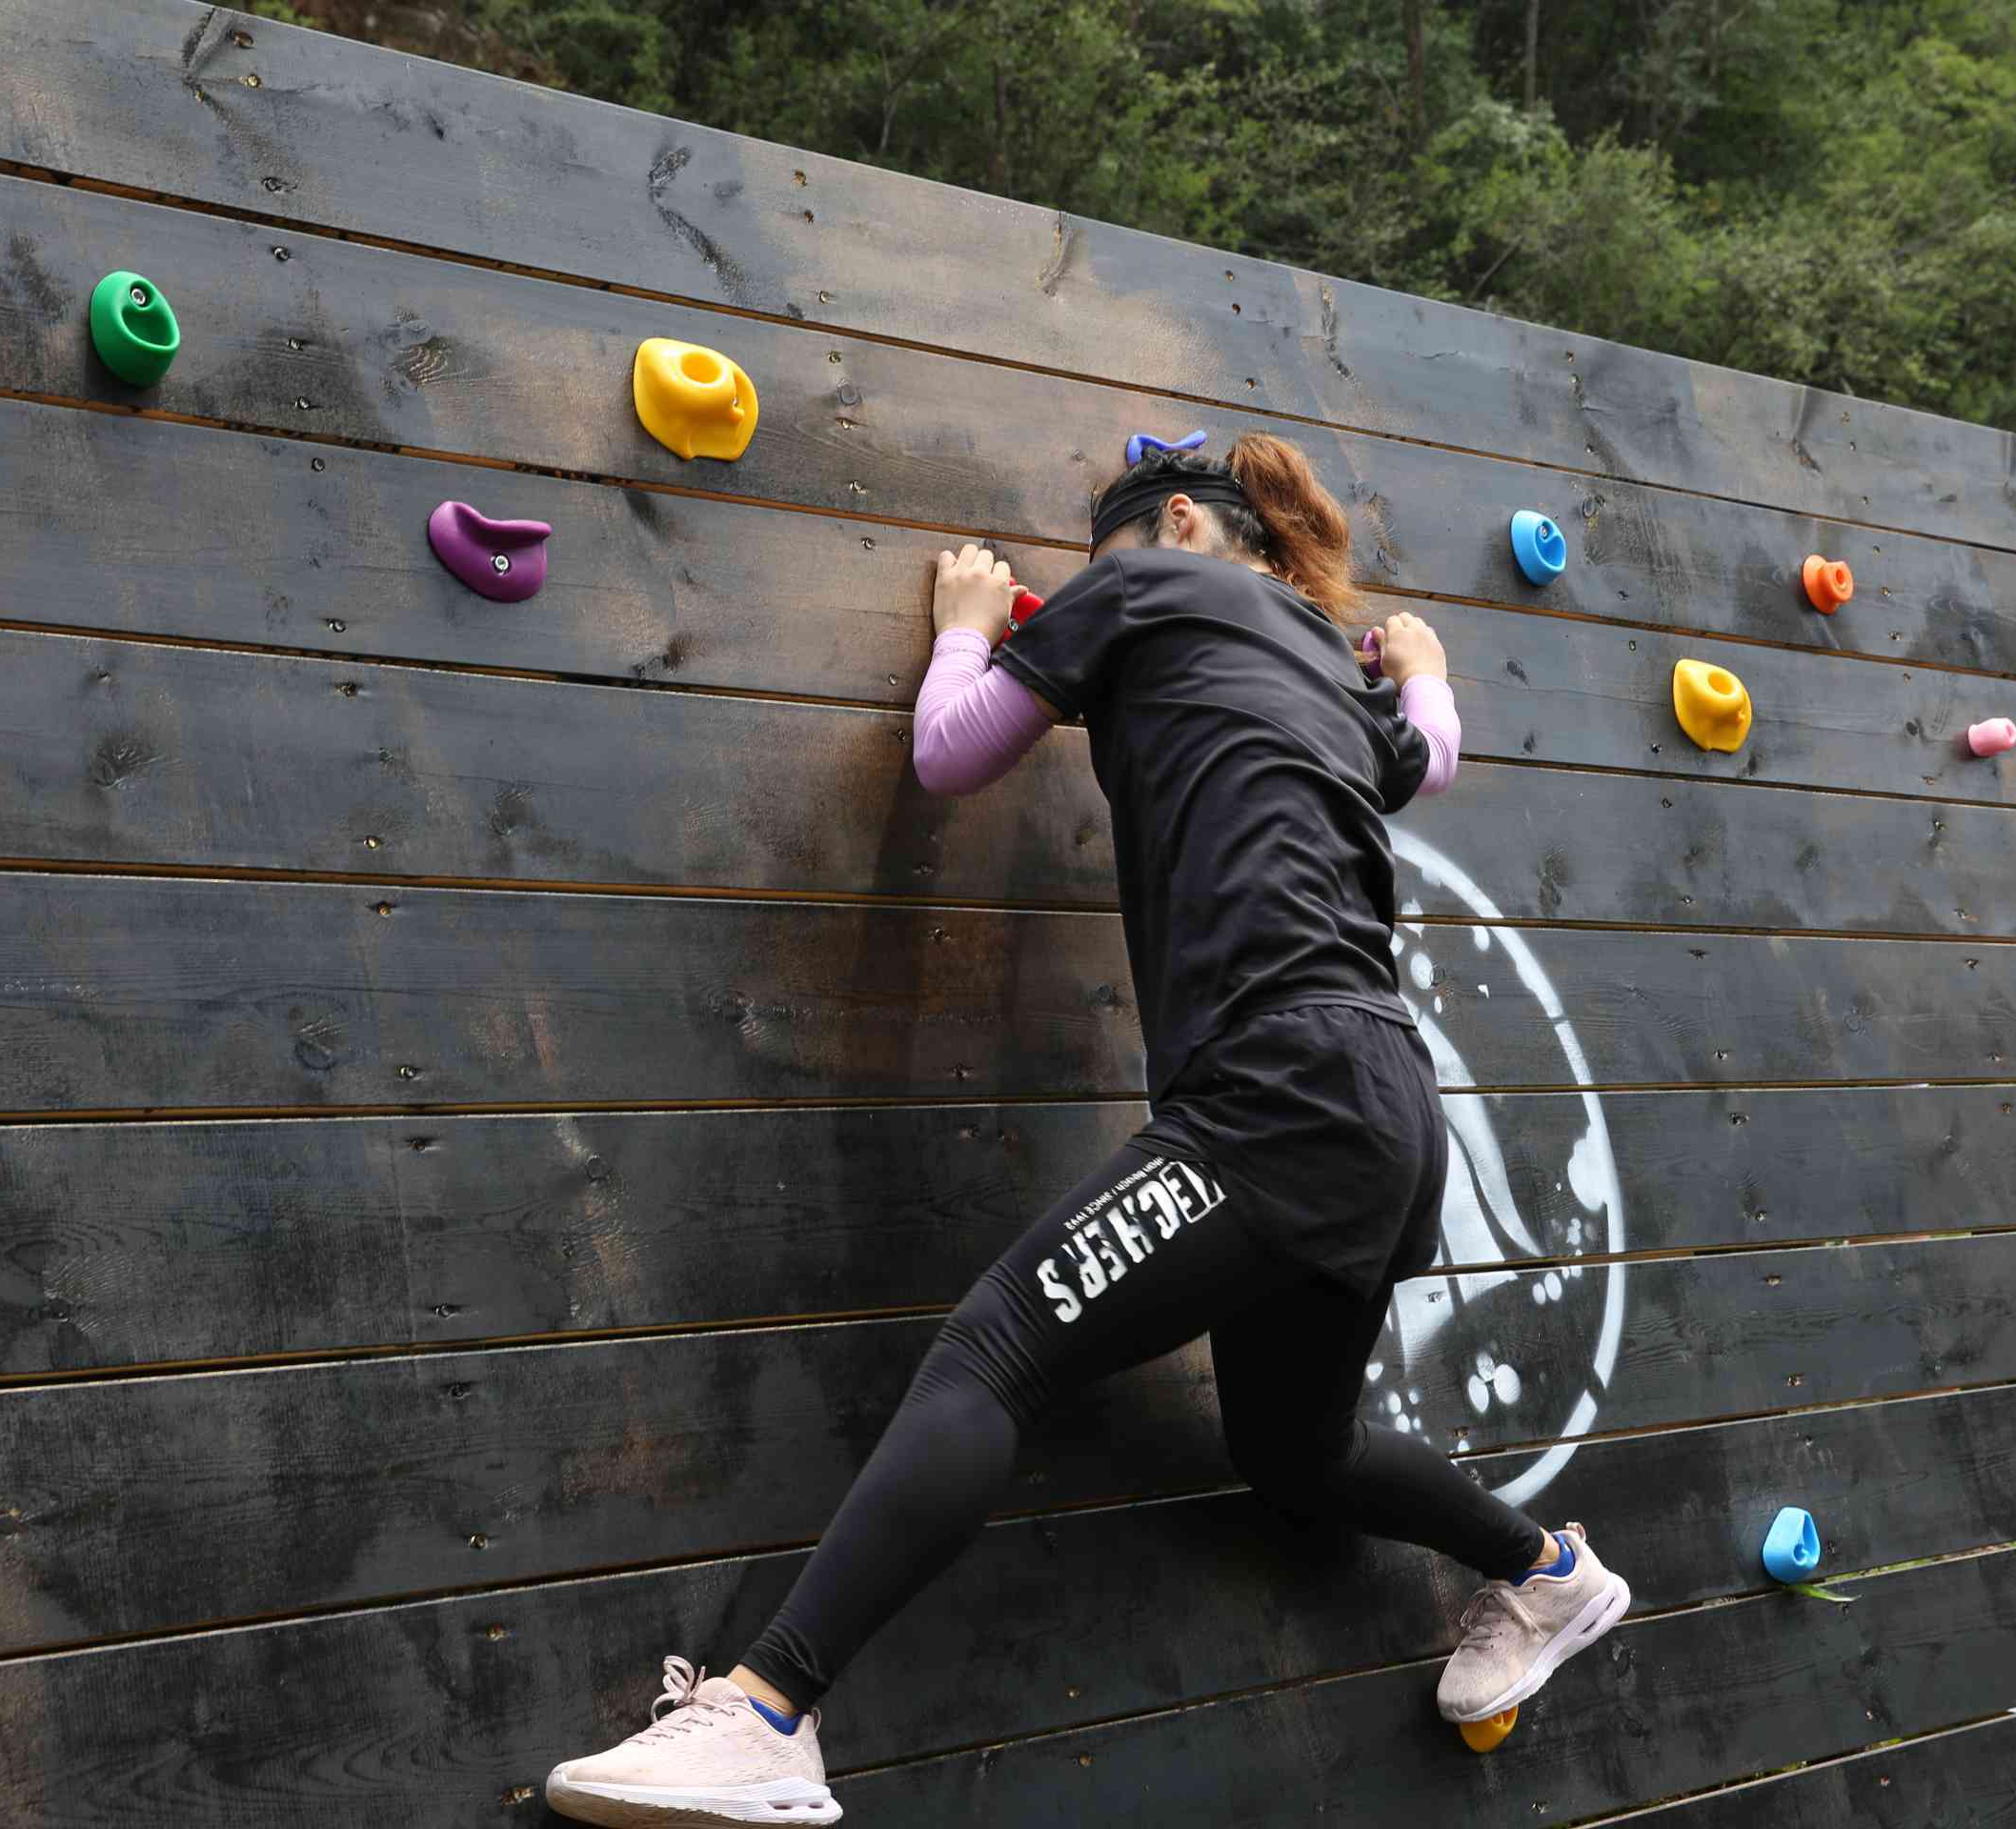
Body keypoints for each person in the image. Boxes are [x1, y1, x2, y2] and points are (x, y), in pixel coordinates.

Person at [542, 434, 1631, 1826]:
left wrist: (962, 629)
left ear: (1177, 521)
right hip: (1385, 1107)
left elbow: (950, 752)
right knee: (1296, 1453)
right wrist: (1420, 661)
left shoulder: (1153, 587)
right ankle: (1549, 1575)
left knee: (995, 1354)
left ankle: (762, 1714)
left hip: (1274, 1097)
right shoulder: (1322, 658)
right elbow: (1432, 762)